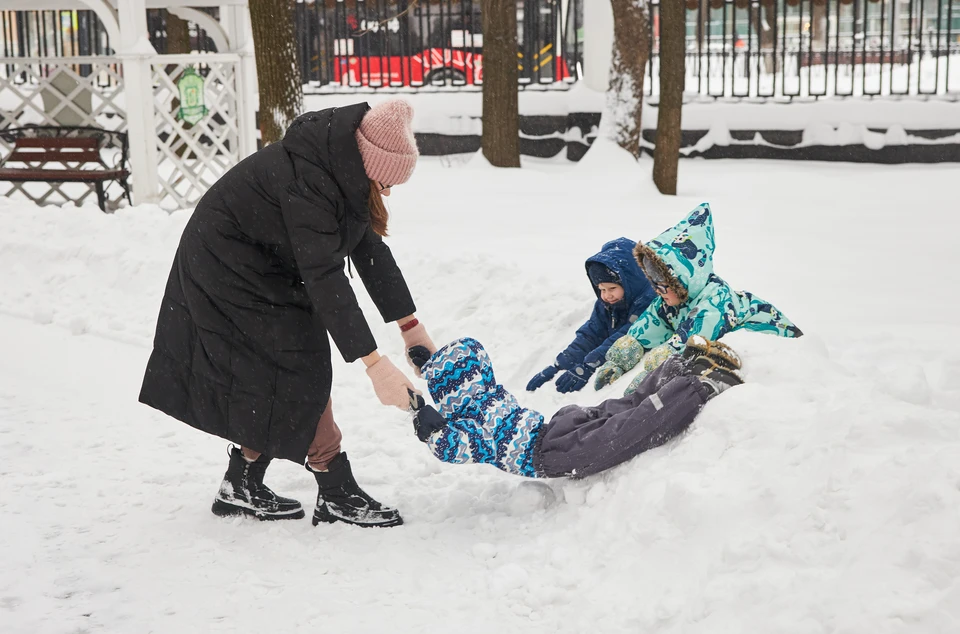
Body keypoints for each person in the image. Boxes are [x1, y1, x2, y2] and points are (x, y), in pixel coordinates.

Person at [139, 100, 434, 529]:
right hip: (226, 266)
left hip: (266, 261)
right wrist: (375, 365)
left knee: (277, 370)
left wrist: (411, 328)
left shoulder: (342, 168)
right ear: (368, 164)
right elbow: (326, 277)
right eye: (385, 183)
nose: (386, 194)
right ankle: (333, 486)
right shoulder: (311, 180)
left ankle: (241, 481)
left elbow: (368, 250)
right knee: (298, 362)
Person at [406, 336, 743, 479]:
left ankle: (696, 388)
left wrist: (430, 429)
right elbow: (460, 375)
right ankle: (678, 366)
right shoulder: (489, 392)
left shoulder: (471, 428)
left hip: (550, 454)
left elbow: (454, 448)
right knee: (626, 407)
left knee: (628, 432)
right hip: (554, 427)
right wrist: (433, 362)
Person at [593, 203, 803, 394]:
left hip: (774, 343)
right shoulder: (671, 300)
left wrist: (649, 380)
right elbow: (649, 326)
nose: (659, 291)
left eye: (664, 285)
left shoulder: (715, 302)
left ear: (685, 280)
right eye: (654, 283)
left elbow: (688, 343)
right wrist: (620, 359)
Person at [526, 238, 656, 394]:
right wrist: (561, 364)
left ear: (630, 282)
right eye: (601, 289)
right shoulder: (607, 304)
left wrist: (590, 364)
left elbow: (628, 335)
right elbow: (592, 333)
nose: (607, 295)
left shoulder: (648, 301)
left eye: (612, 288)